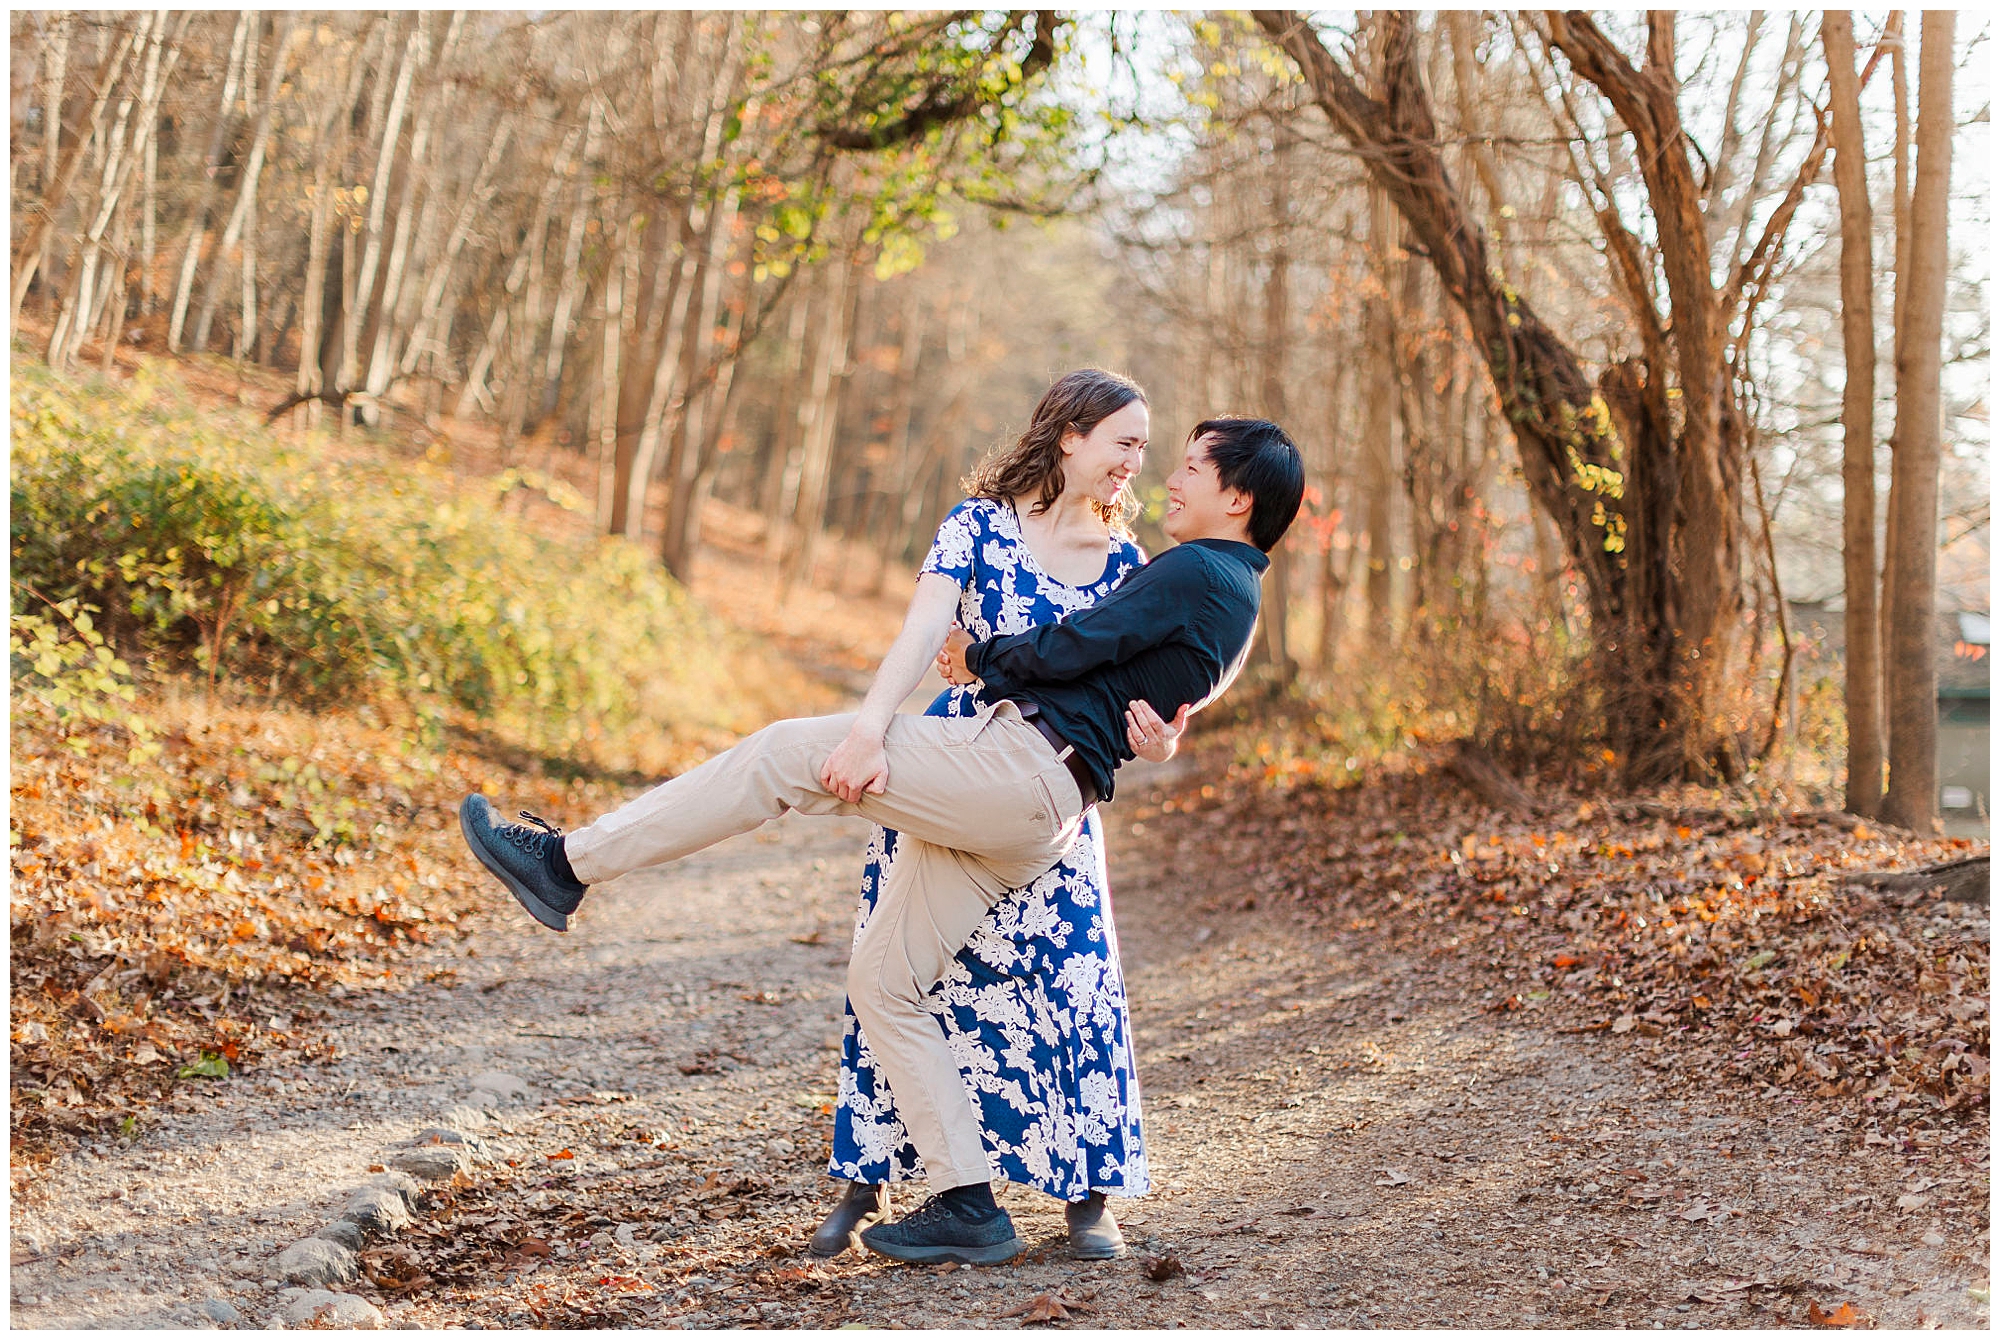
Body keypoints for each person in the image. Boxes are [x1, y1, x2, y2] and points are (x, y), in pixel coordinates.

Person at [458, 413, 1305, 1267]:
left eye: (1192, 466)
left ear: (1236, 497)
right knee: (885, 978)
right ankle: (969, 1202)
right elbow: (1152, 688)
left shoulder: (1195, 568)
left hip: (1020, 769)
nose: (1170, 475)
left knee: (786, 753)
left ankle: (566, 865)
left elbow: (1082, 644)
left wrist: (982, 661)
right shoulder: (1234, 591)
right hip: (1040, 805)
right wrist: (1150, 733)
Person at [812, 370, 1172, 1265]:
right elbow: (918, 631)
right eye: (1126, 441)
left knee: (1071, 976)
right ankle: (871, 1176)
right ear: (1070, 438)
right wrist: (872, 730)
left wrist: (1162, 742)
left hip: (1054, 794)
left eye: (1145, 446)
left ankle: (1089, 1200)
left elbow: (1157, 700)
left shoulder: (1129, 567)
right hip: (951, 768)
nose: (1138, 461)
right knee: (901, 970)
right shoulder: (975, 527)